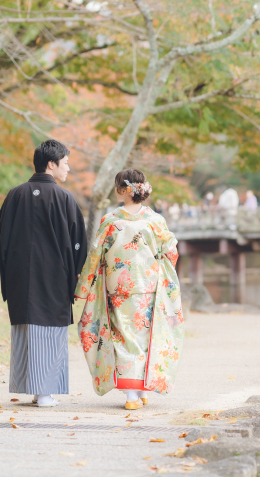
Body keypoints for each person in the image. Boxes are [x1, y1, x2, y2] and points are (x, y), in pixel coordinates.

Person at [0, 140, 87, 408]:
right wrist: (77, 271)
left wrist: (8, 268)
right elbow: (78, 242)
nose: (67, 169)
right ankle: (44, 393)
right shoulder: (64, 198)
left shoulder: (15, 194)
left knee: (26, 328)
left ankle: (32, 387)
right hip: (54, 275)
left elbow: (0, 239)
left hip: (20, 275)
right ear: (51, 164)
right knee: (50, 330)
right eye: (65, 163)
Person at [75, 169, 184, 410]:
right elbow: (171, 250)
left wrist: (82, 288)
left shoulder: (111, 221)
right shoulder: (155, 220)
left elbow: (95, 256)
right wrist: (162, 274)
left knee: (123, 337)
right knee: (147, 337)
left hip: (119, 288)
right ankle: (142, 390)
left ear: (121, 190)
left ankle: (132, 396)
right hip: (149, 287)